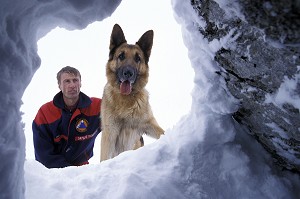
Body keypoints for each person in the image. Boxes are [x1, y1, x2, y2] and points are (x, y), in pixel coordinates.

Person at [32, 66, 101, 168]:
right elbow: (43, 156)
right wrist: (69, 171)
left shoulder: (97, 107)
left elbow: (122, 113)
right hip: (53, 172)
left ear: (80, 83)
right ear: (59, 85)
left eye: (75, 80)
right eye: (67, 81)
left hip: (83, 170)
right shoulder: (45, 113)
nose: (72, 85)